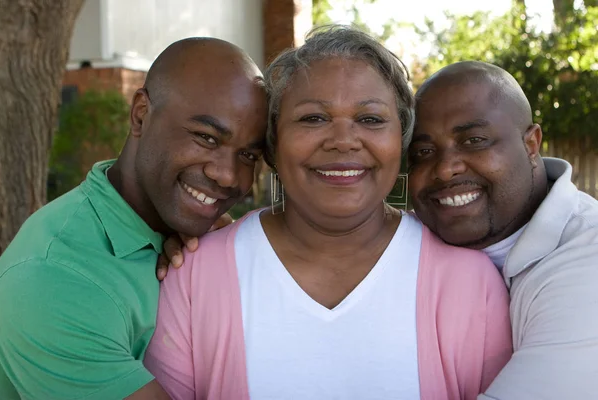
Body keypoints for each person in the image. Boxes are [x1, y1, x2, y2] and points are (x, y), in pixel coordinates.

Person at [144, 26, 512, 400]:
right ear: (272, 143)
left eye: (370, 119)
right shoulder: (193, 276)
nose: (343, 141)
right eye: (313, 118)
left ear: (400, 140)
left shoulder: (469, 281)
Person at [0, 38, 267, 399]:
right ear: (141, 113)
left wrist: (210, 257)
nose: (229, 176)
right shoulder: (55, 278)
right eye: (205, 137)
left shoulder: (190, 242)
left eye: (249, 155)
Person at [408, 60, 598, 399]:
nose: (446, 169)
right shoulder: (407, 246)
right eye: (424, 151)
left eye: (474, 140)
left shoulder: (587, 256)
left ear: (531, 144)